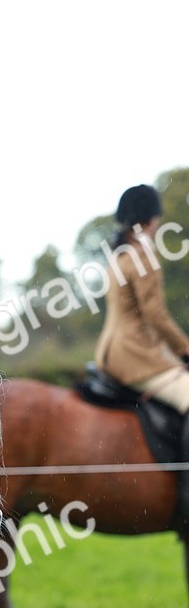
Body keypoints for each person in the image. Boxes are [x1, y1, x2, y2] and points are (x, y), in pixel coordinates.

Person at [95, 183, 189, 522]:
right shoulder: (144, 257)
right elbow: (156, 317)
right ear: (149, 220)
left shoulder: (118, 256)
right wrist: (185, 349)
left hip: (110, 352)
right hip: (134, 355)